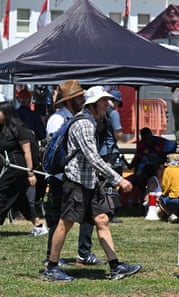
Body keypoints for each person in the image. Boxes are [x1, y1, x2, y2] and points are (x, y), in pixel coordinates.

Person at [42, 86, 141, 282]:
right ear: (93, 104)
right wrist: (118, 179)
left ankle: (115, 266)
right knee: (65, 223)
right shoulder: (85, 124)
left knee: (102, 219)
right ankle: (52, 267)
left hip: (89, 182)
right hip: (77, 182)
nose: (108, 104)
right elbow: (93, 158)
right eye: (104, 101)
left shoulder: (91, 121)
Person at [44, 80, 106, 266]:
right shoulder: (58, 119)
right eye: (78, 97)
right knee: (60, 219)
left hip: (74, 176)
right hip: (60, 176)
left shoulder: (77, 117)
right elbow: (58, 148)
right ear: (69, 100)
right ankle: (52, 258)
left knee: (88, 218)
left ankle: (84, 253)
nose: (82, 99)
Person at [15, 89, 48, 235]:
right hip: (31, 155)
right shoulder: (33, 115)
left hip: (14, 155)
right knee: (31, 186)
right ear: (30, 100)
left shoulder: (13, 116)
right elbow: (42, 135)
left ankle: (27, 214)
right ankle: (33, 214)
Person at [0, 98, 36, 227]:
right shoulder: (2, 129)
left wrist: (30, 174)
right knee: (21, 199)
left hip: (18, 168)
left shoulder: (19, 129)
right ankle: (37, 225)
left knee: (2, 193)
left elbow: (27, 152)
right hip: (8, 166)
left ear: (6, 113)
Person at [97, 87, 125, 224]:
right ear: (115, 101)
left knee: (103, 182)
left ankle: (102, 210)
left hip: (101, 152)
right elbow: (118, 133)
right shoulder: (113, 114)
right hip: (110, 151)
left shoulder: (100, 113)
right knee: (112, 182)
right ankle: (110, 213)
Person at [158, 153, 179, 223]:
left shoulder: (168, 170)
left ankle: (172, 215)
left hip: (174, 199)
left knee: (161, 199)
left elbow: (166, 186)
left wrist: (164, 193)